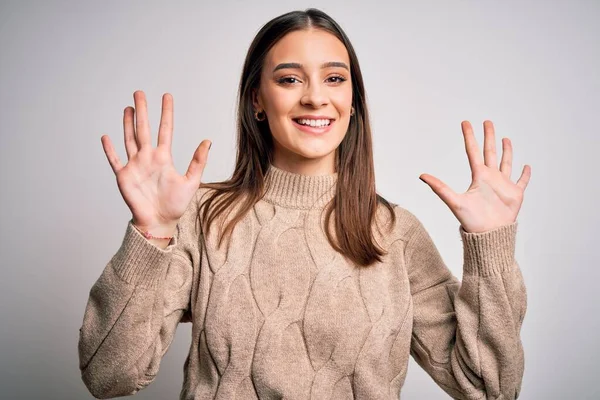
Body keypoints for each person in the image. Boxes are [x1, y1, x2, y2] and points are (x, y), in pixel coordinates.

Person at [78, 8, 531, 400]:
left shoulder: (395, 232)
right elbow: (108, 376)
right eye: (290, 79)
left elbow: (488, 388)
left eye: (335, 78)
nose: (316, 96)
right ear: (257, 98)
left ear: (352, 101)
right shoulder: (202, 216)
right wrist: (153, 231)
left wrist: (489, 250)